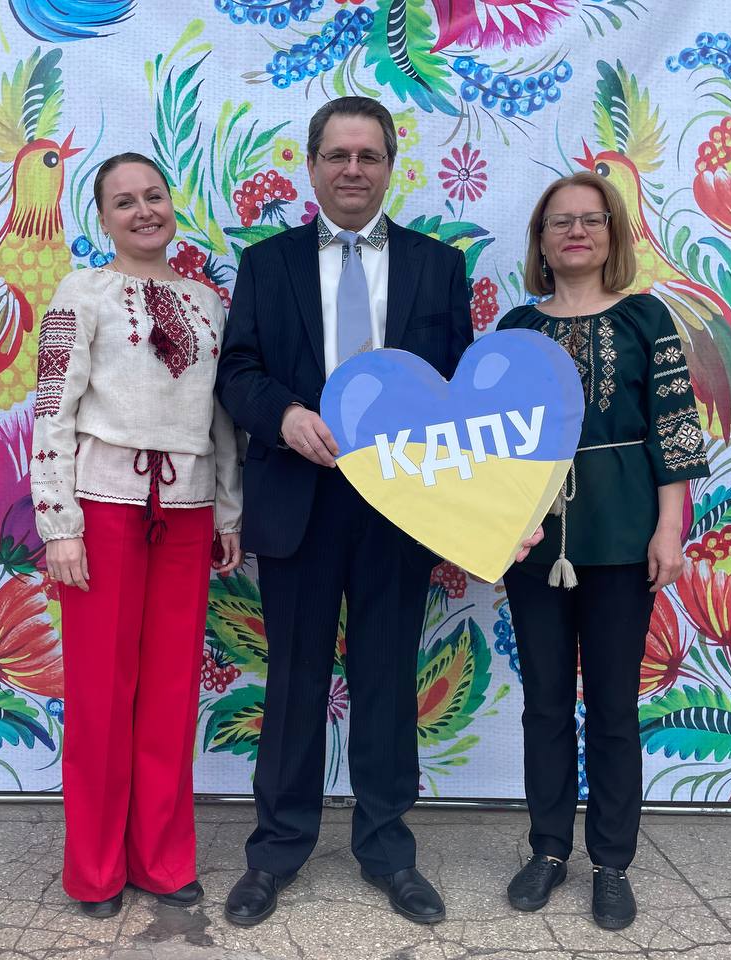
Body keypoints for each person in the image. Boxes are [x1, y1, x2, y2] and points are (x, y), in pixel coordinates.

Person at [216, 96, 540, 927]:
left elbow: (460, 391)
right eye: (337, 155)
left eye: (368, 155)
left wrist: (496, 505)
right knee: (292, 682)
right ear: (313, 166)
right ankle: (275, 851)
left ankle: (389, 852)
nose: (352, 169)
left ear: (391, 165)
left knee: (389, 680)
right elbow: (238, 370)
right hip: (299, 498)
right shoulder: (267, 264)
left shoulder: (438, 266)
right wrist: (286, 415)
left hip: (402, 506)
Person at [31, 152, 244, 918]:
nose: (144, 210)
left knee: (171, 693)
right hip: (103, 510)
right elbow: (51, 407)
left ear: (170, 205)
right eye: (125, 201)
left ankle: (162, 858)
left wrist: (227, 510)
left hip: (185, 511)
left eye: (154, 195)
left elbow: (222, 417)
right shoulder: (81, 292)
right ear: (102, 218)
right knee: (100, 693)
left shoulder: (208, 302)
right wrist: (59, 523)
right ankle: (94, 870)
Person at [496, 171, 710, 929]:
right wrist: (497, 525)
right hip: (534, 542)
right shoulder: (516, 327)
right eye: (559, 222)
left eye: (591, 219)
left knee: (614, 705)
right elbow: (494, 441)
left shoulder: (647, 318)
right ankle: (548, 849)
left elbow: (675, 430)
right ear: (541, 241)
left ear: (612, 232)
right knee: (546, 703)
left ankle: (611, 862)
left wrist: (669, 529)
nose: (576, 232)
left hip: (623, 537)